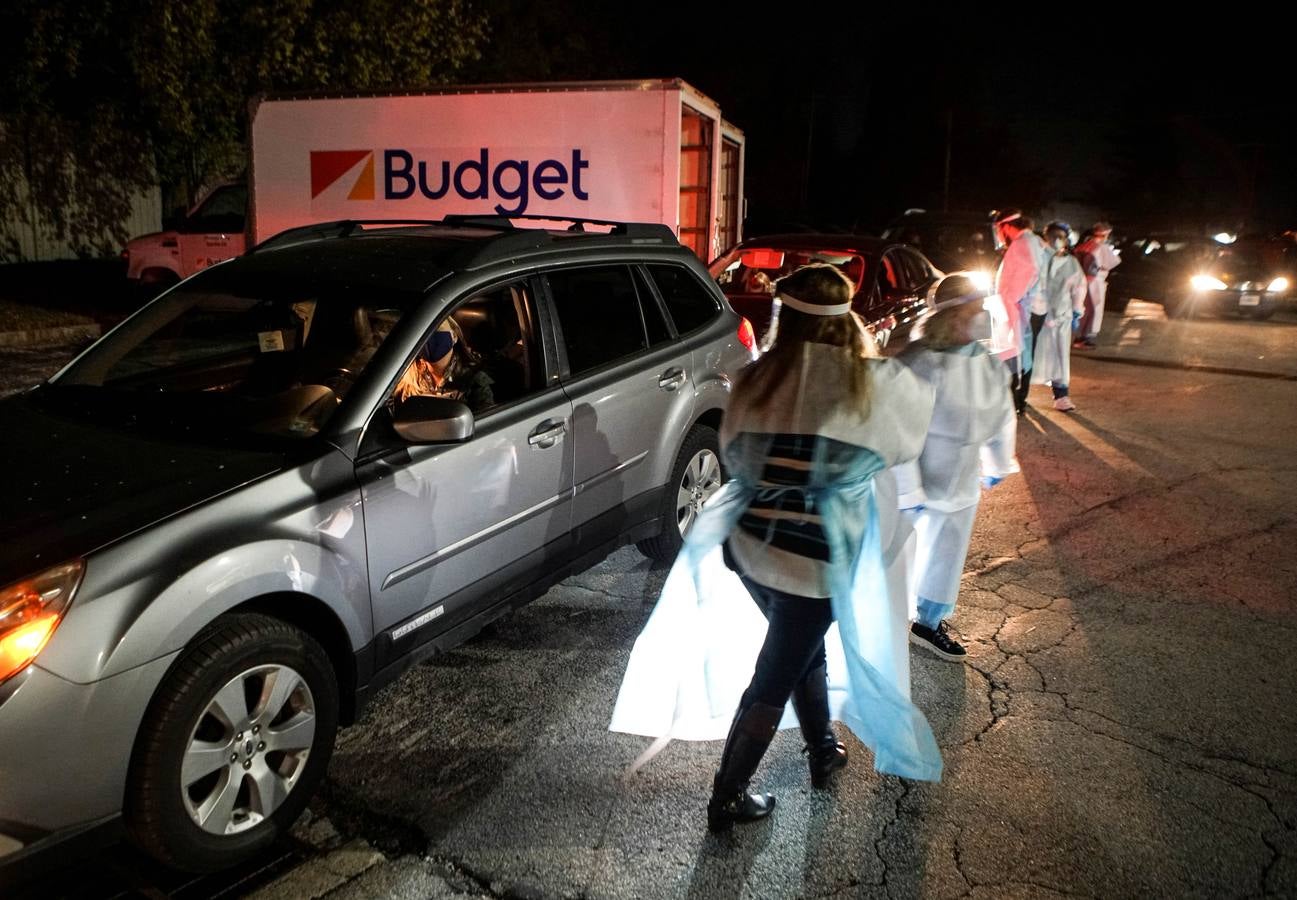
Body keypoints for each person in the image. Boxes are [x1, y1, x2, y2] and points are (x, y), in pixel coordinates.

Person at [608, 264, 942, 833]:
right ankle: (728, 795)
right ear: (846, 318)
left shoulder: (760, 376)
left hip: (751, 547)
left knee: (799, 648)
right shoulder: (872, 382)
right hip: (816, 558)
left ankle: (822, 748)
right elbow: (904, 443)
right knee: (776, 670)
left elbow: (735, 460)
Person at [894, 273, 1019, 661]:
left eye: (983, 310)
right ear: (950, 316)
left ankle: (928, 623)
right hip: (915, 479)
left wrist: (998, 459)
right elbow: (895, 428)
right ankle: (874, 621)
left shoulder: (985, 363)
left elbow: (1002, 414)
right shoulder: (917, 363)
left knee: (947, 553)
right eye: (974, 311)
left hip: (962, 479)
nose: (982, 319)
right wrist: (906, 487)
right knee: (893, 554)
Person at [992, 209, 1050, 415]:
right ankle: (1018, 400)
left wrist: (1010, 298)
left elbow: (1029, 270)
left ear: (1006, 226)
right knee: (1021, 353)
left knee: (1015, 353)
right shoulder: (1031, 240)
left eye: (999, 229)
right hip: (1027, 307)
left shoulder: (1022, 242)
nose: (999, 234)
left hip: (1021, 308)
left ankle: (1015, 402)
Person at [1032, 223, 1088, 411]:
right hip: (1036, 315)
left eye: (1060, 236)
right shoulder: (1037, 258)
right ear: (1045, 237)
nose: (1056, 240)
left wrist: (1076, 311)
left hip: (1061, 316)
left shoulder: (1071, 262)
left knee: (1060, 356)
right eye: (1053, 235)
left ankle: (1061, 395)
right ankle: (1021, 392)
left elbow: (1079, 287)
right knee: (1031, 355)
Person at [393, 317, 494, 412]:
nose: (429, 336)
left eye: (437, 328)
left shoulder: (474, 381)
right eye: (424, 331)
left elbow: (485, 424)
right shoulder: (406, 373)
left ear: (454, 336)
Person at [1074, 222, 1121, 348]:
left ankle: (1079, 336)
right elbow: (1110, 262)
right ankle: (1085, 337)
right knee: (1094, 308)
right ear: (1105, 234)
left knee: (1084, 308)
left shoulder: (1084, 245)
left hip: (1081, 280)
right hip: (1094, 280)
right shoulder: (1100, 247)